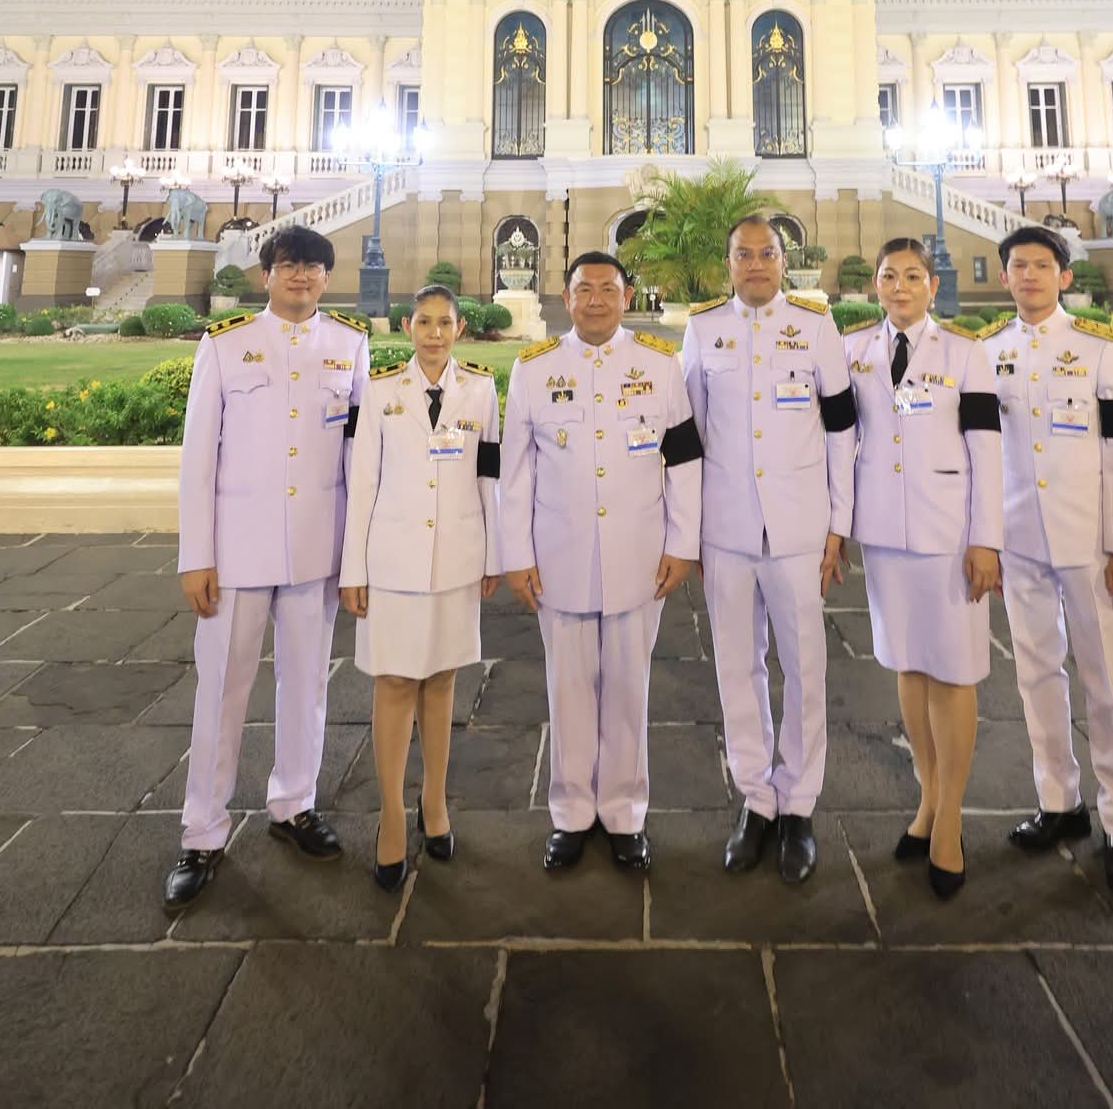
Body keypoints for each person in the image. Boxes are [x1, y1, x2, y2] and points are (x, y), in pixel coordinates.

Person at [162, 226, 370, 912]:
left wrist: (358, 556)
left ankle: (294, 805)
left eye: (312, 267)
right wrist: (197, 555)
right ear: (266, 276)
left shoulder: (350, 345)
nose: (301, 277)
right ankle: (202, 831)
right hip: (238, 550)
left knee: (306, 686)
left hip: (317, 546)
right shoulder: (223, 345)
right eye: (288, 267)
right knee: (221, 691)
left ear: (327, 278)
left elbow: (359, 458)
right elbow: (198, 460)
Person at [500, 251, 702, 873]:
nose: (594, 299)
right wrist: (515, 554)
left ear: (626, 295)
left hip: (639, 556)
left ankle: (623, 813)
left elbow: (686, 460)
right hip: (558, 556)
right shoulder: (535, 369)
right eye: (583, 289)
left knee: (628, 688)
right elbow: (514, 473)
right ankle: (570, 812)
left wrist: (682, 543)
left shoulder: (660, 366)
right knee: (568, 688)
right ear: (565, 296)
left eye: (606, 289)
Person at [680, 215, 856, 885]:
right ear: (727, 264)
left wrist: (837, 525)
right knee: (735, 667)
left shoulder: (814, 326)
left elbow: (840, 432)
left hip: (798, 530)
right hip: (725, 528)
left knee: (804, 668)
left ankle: (799, 805)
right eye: (742, 254)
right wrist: (687, 528)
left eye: (766, 253)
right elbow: (687, 439)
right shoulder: (703, 329)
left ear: (783, 261)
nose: (754, 264)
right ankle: (755, 798)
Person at [989, 224, 1113, 895]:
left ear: (1063, 278)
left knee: (1106, 683)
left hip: (1087, 542)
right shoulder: (987, 351)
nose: (1028, 275)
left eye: (1040, 265)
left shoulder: (1100, 348)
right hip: (1019, 538)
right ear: (1003, 278)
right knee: (1034, 675)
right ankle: (1059, 802)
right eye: (1017, 266)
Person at [845, 238, 1002, 898]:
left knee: (953, 670)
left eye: (912, 275)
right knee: (907, 666)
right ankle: (927, 800)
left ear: (931, 286)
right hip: (883, 530)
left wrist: (985, 538)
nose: (899, 286)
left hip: (947, 531)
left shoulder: (965, 353)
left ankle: (950, 821)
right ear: (875, 284)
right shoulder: (852, 349)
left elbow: (988, 452)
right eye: (888, 276)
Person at [340, 283, 501, 891]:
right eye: (424, 322)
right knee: (394, 684)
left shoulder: (481, 389)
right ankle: (389, 817)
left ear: (459, 330)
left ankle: (434, 805)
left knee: (441, 682)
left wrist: (493, 554)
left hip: (456, 558)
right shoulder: (380, 390)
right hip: (394, 561)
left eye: (445, 323)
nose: (434, 333)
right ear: (408, 326)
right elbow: (362, 485)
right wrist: (352, 569)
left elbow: (490, 478)